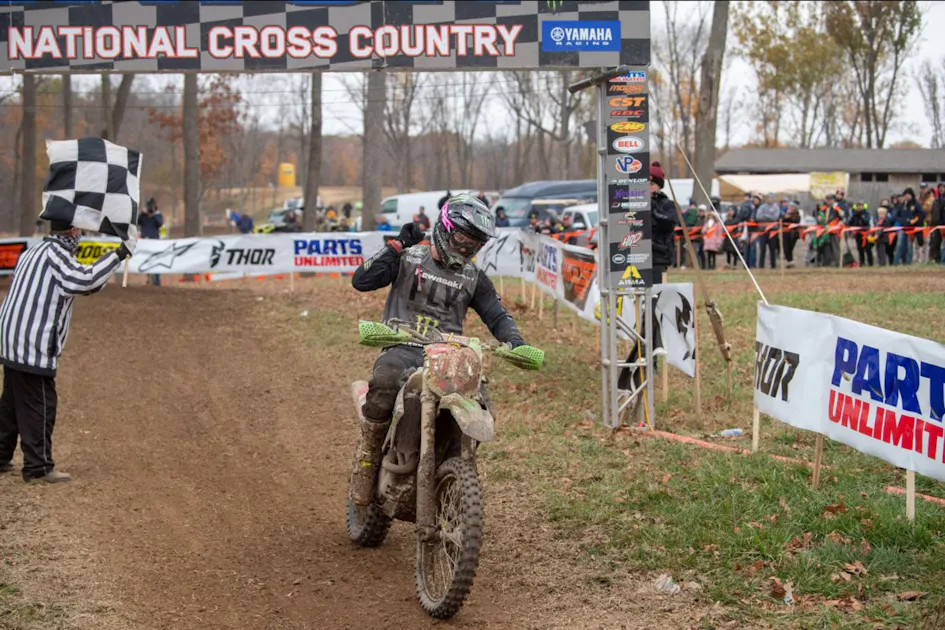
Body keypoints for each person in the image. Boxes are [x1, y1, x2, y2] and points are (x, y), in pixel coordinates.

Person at [348, 195, 526, 506]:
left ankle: (455, 469)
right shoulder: (409, 258)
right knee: (385, 383)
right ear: (444, 228)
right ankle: (367, 458)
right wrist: (395, 247)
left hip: (448, 354)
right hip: (403, 345)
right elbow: (362, 281)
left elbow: (497, 315)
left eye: (474, 244)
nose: (465, 250)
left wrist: (515, 341)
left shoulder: (474, 278)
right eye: (461, 240)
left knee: (481, 402)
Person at [0, 219, 136, 483]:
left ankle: (1, 455)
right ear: (73, 231)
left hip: (11, 337)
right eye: (79, 230)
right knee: (40, 404)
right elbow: (83, 281)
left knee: (12, 402)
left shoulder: (35, 250)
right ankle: (38, 467)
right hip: (31, 343)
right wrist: (119, 253)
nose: (80, 234)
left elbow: (85, 282)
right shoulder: (57, 255)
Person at [617, 161, 675, 390]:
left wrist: (649, 207)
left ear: (659, 185)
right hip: (636, 260)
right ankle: (639, 352)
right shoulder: (633, 203)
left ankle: (653, 356)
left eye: (653, 183)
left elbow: (668, 222)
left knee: (653, 311)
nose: (649, 186)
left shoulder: (666, 204)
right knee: (638, 309)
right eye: (646, 182)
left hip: (657, 261)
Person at [139, 197, 164, 286]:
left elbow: (160, 223)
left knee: (156, 259)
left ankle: (157, 281)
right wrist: (142, 213)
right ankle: (148, 279)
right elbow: (138, 222)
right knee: (145, 259)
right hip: (145, 240)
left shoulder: (158, 214)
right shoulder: (144, 215)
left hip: (154, 241)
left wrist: (154, 215)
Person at [894, 188, 922, 265]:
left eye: (908, 194)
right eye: (905, 194)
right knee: (900, 245)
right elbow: (897, 215)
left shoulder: (916, 204)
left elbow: (921, 214)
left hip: (912, 229)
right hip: (903, 228)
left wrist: (914, 220)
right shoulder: (902, 205)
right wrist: (901, 221)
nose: (907, 196)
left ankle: (908, 262)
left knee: (910, 246)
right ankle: (896, 262)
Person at [754, 193, 781, 269]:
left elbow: (775, 218)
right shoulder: (762, 207)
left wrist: (765, 216)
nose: (769, 199)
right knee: (762, 249)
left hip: (773, 231)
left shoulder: (776, 207)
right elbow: (758, 217)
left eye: (771, 198)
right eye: (768, 198)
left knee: (772, 249)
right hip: (763, 230)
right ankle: (761, 266)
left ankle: (773, 265)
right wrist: (769, 217)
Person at [847, 201, 873, 267]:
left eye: (861, 206)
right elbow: (850, 223)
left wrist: (861, 216)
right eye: (858, 206)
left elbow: (866, 221)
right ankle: (862, 262)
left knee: (867, 249)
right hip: (858, 234)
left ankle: (870, 263)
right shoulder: (855, 215)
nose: (859, 207)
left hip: (866, 234)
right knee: (860, 249)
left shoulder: (866, 214)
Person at [781, 201, 801, 268]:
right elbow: (782, 221)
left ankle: (790, 261)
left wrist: (790, 217)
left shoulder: (797, 215)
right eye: (790, 206)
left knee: (790, 248)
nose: (791, 208)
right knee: (786, 248)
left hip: (793, 234)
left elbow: (796, 222)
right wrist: (786, 217)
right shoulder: (785, 214)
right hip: (785, 233)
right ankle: (790, 261)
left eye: (792, 207)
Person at [932, 182, 945, 264]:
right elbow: (933, 212)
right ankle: (937, 260)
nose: (941, 188)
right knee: (936, 243)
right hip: (937, 224)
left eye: (943, 187)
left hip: (944, 224)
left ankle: (943, 261)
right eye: (940, 187)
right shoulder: (936, 200)